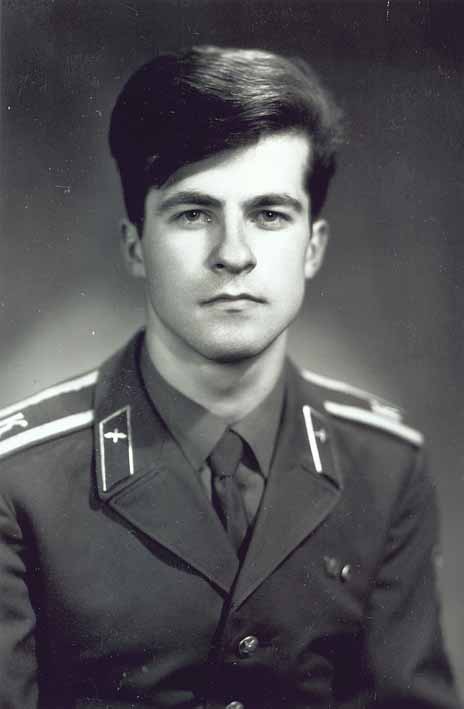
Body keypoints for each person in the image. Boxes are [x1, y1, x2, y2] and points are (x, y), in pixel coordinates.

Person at [0, 45, 460, 709]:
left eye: (269, 214)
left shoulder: (386, 469)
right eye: (193, 213)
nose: (233, 255)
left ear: (313, 247)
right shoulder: (20, 482)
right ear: (135, 244)